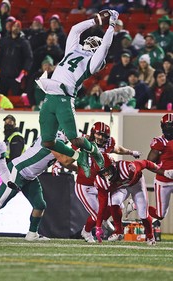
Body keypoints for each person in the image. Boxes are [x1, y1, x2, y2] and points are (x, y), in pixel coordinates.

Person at [36, 10, 120, 177]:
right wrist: (94, 21)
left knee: (74, 139)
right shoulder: (73, 49)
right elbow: (75, 30)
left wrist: (111, 25)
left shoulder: (92, 62)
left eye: (94, 42)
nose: (90, 41)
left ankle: (94, 151)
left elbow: (105, 47)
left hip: (64, 99)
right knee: (47, 142)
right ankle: (79, 156)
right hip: (50, 95)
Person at [0, 133, 76, 241]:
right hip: (18, 170)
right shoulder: (54, 139)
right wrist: (79, 152)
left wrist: (79, 169)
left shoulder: (54, 138)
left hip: (30, 176)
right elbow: (65, 161)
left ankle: (32, 234)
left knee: (40, 205)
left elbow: (65, 161)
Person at [72, 122, 141, 243]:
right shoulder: (84, 141)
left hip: (100, 183)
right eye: (99, 134)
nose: (101, 138)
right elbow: (69, 154)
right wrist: (60, 164)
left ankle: (105, 225)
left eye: (104, 136)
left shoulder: (108, 143)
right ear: (93, 133)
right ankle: (87, 232)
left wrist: (131, 152)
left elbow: (117, 149)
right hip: (85, 185)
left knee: (115, 205)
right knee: (96, 215)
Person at [94, 154, 173, 246]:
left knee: (143, 213)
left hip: (136, 184)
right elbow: (102, 205)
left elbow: (146, 163)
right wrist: (98, 226)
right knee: (114, 203)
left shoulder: (127, 168)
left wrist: (161, 171)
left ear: (113, 165)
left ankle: (150, 236)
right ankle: (118, 231)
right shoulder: (101, 182)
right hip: (122, 188)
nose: (106, 175)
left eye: (107, 171)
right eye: (103, 173)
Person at [0, 20, 33, 96]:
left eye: (18, 26)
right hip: (4, 75)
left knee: (17, 96)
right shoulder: (4, 41)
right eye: (14, 26)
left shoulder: (24, 42)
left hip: (16, 76)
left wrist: (25, 69)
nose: (16, 28)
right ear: (11, 27)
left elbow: (29, 57)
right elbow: (0, 55)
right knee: (1, 96)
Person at [147, 114, 173, 221]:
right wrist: (165, 172)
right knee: (160, 215)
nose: (170, 128)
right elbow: (148, 163)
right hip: (163, 182)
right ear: (162, 126)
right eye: (167, 126)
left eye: (172, 126)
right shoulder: (160, 142)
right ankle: (137, 205)